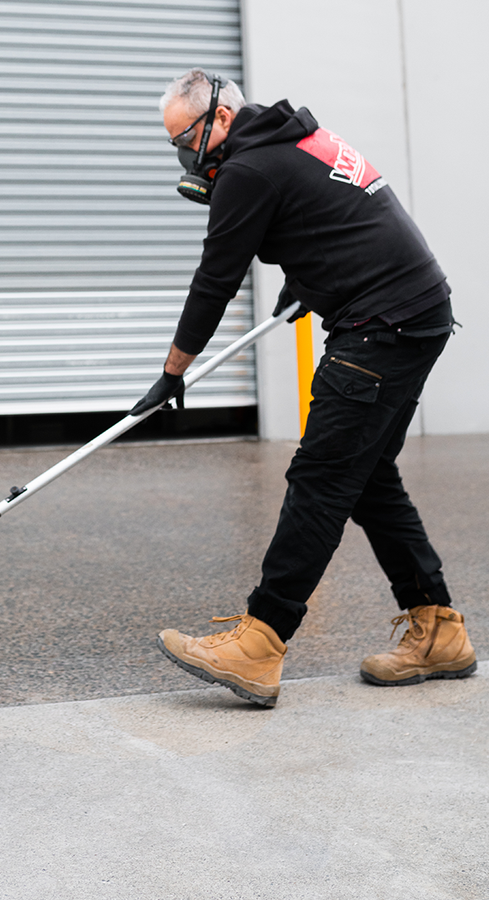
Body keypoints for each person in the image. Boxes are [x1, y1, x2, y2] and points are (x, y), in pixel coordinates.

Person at [131, 69, 477, 707]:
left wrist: (172, 372)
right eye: (174, 144)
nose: (186, 156)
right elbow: (332, 215)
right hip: (419, 312)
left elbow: (215, 280)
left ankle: (261, 641)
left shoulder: (248, 169)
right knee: (367, 477)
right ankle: (438, 631)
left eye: (187, 140)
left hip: (381, 329)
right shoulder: (295, 137)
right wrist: (306, 282)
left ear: (222, 118)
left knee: (320, 480)